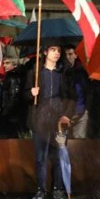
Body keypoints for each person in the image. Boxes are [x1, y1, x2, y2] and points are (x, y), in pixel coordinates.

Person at [25, 45, 76, 199]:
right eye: (53, 50)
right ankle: (41, 189)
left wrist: (67, 115)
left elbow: (72, 97)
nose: (57, 53)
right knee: (41, 156)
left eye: (59, 51)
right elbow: (24, 95)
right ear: (45, 52)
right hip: (40, 120)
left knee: (59, 155)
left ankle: (58, 188)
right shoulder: (35, 72)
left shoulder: (64, 74)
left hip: (58, 121)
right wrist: (30, 93)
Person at [63, 47, 90, 139]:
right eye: (66, 54)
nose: (68, 57)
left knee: (79, 143)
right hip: (66, 112)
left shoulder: (82, 71)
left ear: (75, 55)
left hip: (81, 111)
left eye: (70, 54)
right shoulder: (63, 72)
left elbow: (87, 90)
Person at [0, 57, 27, 137]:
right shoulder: (15, 76)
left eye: (7, 63)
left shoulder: (12, 77)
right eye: (4, 63)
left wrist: (6, 111)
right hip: (16, 112)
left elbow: (14, 96)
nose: (4, 65)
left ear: (14, 65)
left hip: (12, 113)